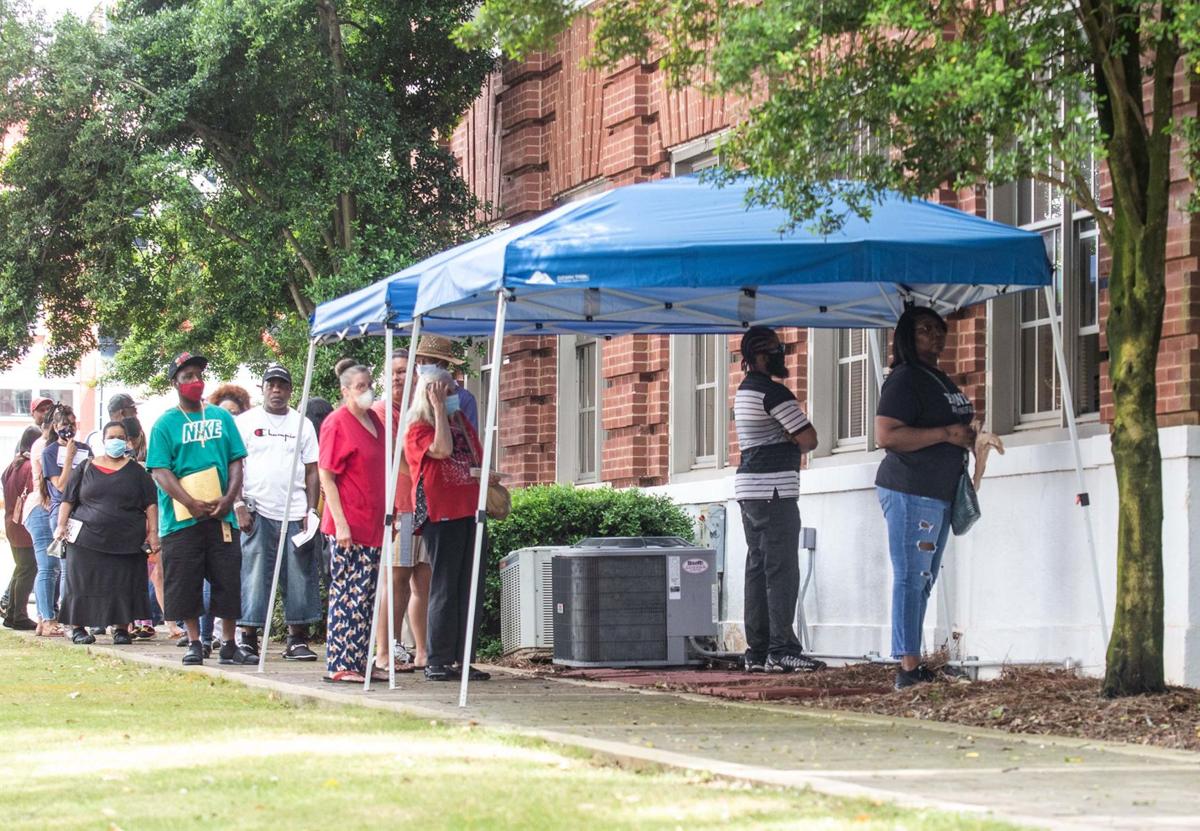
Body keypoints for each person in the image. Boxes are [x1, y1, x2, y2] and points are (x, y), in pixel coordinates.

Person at [875, 306, 976, 690]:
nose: (935, 336)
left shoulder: (937, 377)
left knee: (924, 578)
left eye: (938, 329)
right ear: (905, 336)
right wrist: (946, 435)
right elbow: (886, 435)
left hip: (938, 490)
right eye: (923, 330)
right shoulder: (905, 379)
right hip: (909, 489)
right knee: (911, 576)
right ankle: (908, 667)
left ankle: (912, 660)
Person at [147, 352, 255, 666]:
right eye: (187, 377)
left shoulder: (221, 418)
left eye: (198, 375)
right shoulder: (165, 424)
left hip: (221, 515)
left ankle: (229, 643)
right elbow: (160, 471)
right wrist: (188, 502)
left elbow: (236, 460)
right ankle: (195, 642)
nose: (195, 382)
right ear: (175, 383)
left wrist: (230, 498)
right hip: (182, 518)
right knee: (185, 580)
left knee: (227, 579)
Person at [733, 326, 824, 674]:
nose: (781, 354)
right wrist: (790, 437)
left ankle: (757, 651)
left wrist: (788, 436)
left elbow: (797, 437)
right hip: (774, 493)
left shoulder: (745, 391)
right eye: (775, 349)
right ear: (758, 355)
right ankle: (782, 648)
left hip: (750, 492)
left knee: (757, 568)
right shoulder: (773, 393)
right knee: (781, 569)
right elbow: (810, 439)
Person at [405, 365, 489, 683]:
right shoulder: (417, 428)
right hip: (441, 514)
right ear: (431, 393)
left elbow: (477, 458)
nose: (455, 396)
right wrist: (439, 410)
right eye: (448, 391)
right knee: (444, 585)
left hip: (470, 510)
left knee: (469, 587)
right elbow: (441, 450)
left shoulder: (462, 421)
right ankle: (438, 658)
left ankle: (464, 658)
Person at [234, 364, 322, 661]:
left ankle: (296, 639)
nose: (276, 390)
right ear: (262, 388)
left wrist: (311, 510)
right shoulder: (246, 422)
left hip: (295, 511)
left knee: (299, 575)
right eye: (270, 384)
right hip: (257, 510)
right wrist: (237, 505)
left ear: (290, 390)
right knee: (254, 575)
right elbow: (233, 467)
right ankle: (248, 638)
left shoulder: (303, 424)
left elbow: (312, 470)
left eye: (282, 385)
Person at [53, 421, 158, 645]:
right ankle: (78, 627)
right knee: (82, 582)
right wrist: (61, 526)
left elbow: (151, 504)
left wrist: (154, 533)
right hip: (86, 539)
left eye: (120, 437)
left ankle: (121, 628)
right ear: (103, 440)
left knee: (122, 583)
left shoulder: (137, 472)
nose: (116, 441)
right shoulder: (86, 467)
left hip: (127, 540)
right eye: (111, 437)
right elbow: (68, 499)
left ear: (127, 441)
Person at [318, 364, 387, 683]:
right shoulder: (336, 423)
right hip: (348, 523)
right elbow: (327, 477)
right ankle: (341, 661)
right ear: (345, 390)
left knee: (368, 595)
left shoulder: (374, 420)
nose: (366, 390)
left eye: (368, 384)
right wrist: (342, 524)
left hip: (373, 522)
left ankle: (360, 659)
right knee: (348, 593)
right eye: (360, 385)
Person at [371, 349, 431, 672]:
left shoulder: (420, 411)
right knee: (395, 578)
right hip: (401, 506)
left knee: (422, 578)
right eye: (393, 371)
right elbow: (396, 459)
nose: (398, 377)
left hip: (425, 505)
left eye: (404, 371)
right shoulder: (382, 412)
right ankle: (384, 651)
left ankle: (422, 650)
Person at [2, 427, 42, 630]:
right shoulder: (29, 467)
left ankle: (12, 613)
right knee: (27, 569)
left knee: (21, 568)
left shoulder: (13, 465)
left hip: (11, 522)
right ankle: (18, 615)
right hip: (25, 525)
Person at [23, 409, 59, 636]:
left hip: (45, 508)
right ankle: (46, 618)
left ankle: (45, 618)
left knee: (52, 566)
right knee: (47, 566)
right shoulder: (45, 446)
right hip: (40, 508)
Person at [413, 336, 478, 431]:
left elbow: (471, 437)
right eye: (418, 362)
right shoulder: (413, 395)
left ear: (442, 364)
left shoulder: (464, 398)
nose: (421, 366)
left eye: (426, 361)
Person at [86, 393, 140, 458]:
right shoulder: (98, 438)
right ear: (122, 412)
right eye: (133, 409)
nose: (136, 412)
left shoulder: (135, 432)